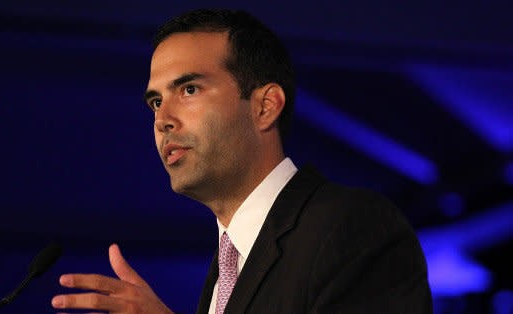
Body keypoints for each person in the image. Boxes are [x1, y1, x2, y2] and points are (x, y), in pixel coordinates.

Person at [51, 9, 433, 313]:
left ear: (265, 107)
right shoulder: (226, 268)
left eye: (188, 89)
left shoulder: (352, 226)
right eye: (155, 101)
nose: (162, 118)